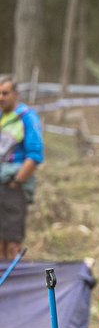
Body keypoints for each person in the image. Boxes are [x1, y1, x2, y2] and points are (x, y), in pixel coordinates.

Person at [0, 77, 43, 260]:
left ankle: (16, 280)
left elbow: (35, 154)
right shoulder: (2, 117)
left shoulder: (26, 116)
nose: (1, 97)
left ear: (15, 94)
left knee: (12, 241)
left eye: (5, 93)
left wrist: (17, 181)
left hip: (13, 185)